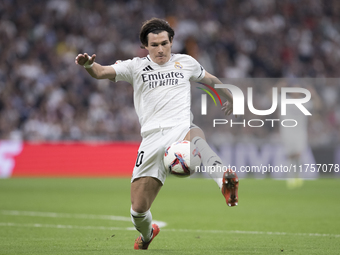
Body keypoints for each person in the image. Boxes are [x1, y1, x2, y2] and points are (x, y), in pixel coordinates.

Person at [75, 18, 239, 250]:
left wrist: (230, 96)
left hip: (180, 128)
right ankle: (147, 233)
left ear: (172, 41)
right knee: (138, 208)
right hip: (151, 139)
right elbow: (101, 72)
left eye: (164, 43)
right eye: (154, 45)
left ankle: (224, 179)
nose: (160, 49)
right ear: (145, 46)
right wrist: (88, 65)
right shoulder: (134, 66)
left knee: (197, 136)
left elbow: (210, 79)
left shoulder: (186, 62)